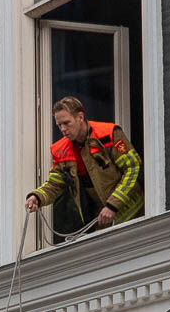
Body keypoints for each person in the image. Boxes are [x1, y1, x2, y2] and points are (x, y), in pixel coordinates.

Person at [24, 96, 143, 235]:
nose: (62, 129)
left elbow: (133, 168)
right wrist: (36, 197)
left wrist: (113, 205)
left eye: (66, 123)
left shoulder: (108, 134)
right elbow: (54, 184)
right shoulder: (61, 150)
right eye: (59, 125)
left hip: (135, 214)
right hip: (100, 223)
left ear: (80, 117)